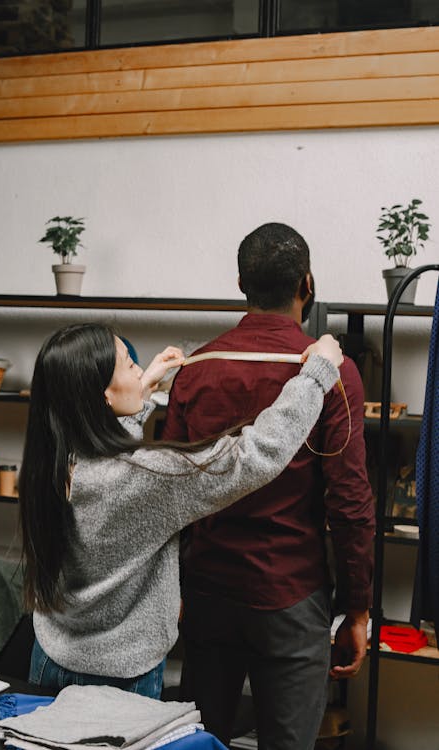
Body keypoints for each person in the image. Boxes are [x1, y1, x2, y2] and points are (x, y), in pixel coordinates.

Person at [18, 321, 342, 699]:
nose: (139, 369)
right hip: (119, 681)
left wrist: (139, 396)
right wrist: (316, 375)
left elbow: (112, 464)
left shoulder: (52, 462)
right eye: (128, 364)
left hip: (49, 659)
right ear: (102, 395)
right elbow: (253, 456)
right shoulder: (148, 478)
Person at [162, 223, 376, 750]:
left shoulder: (195, 369)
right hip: (290, 596)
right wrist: (358, 608)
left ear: (241, 283)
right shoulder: (329, 371)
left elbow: (168, 495)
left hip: (207, 592)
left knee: (198, 744)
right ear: (307, 283)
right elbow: (349, 503)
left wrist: (173, 590)